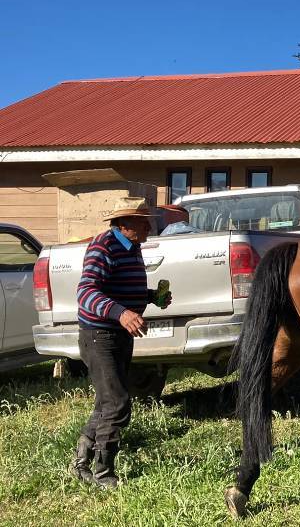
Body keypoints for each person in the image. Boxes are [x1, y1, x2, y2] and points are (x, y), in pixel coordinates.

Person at [70, 197, 172, 489]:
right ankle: (103, 472)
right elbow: (86, 292)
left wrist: (150, 297)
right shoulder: (104, 246)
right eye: (144, 222)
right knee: (117, 402)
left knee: (107, 401)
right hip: (99, 334)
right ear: (125, 224)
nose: (150, 227)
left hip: (118, 334)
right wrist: (122, 313)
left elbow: (120, 286)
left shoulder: (133, 247)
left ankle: (81, 462)